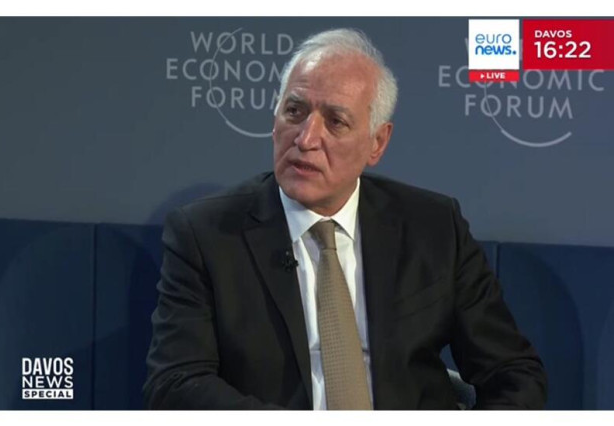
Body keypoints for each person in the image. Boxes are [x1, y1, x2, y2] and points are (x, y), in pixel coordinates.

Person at [143, 28, 547, 410]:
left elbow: (514, 373)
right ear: (274, 120)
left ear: (377, 143)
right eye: (294, 111)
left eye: (335, 122)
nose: (306, 139)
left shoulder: (434, 228)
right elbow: (175, 383)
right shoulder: (206, 235)